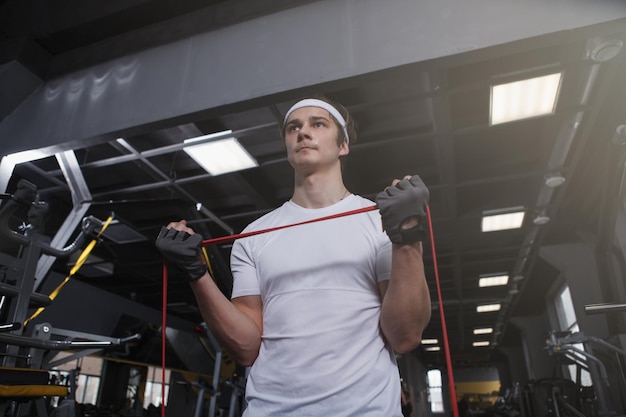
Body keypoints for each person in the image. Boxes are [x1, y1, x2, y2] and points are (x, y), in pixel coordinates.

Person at [155, 96, 432, 416]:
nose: (303, 133)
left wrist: (407, 238)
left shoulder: (378, 221)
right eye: (293, 128)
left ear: (343, 145)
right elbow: (245, 348)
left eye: (318, 124)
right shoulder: (253, 236)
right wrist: (196, 272)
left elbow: (405, 335)